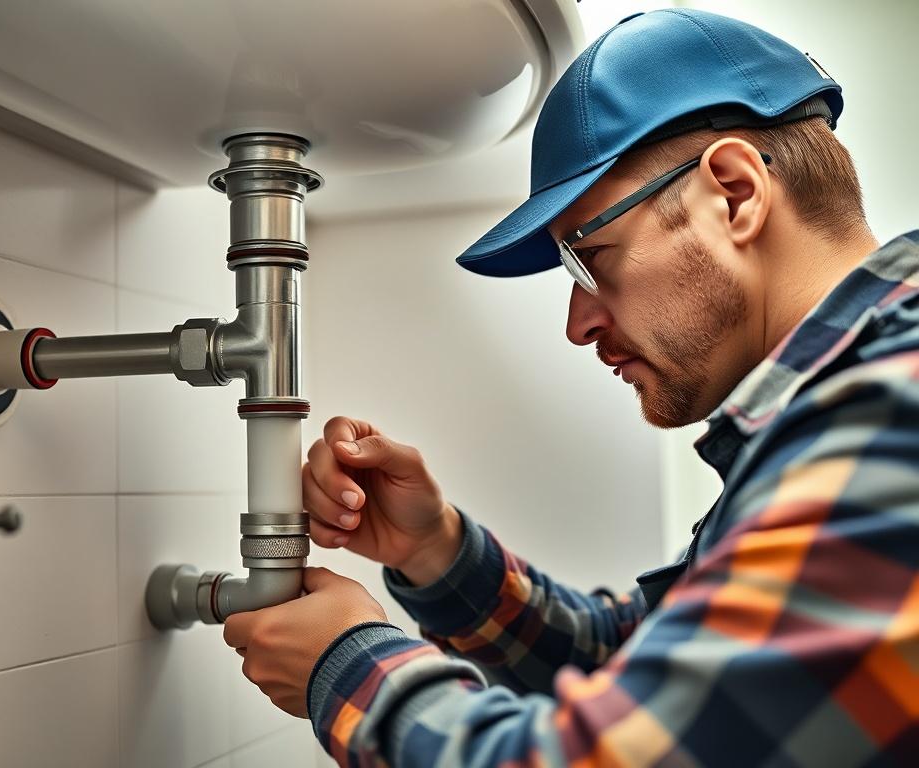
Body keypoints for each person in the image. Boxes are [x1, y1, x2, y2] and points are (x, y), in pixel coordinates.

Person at [224, 9, 919, 766]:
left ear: (734, 193)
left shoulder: (893, 409)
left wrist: (346, 664)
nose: (577, 323)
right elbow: (639, 660)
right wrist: (436, 548)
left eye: (590, 258)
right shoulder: (837, 413)